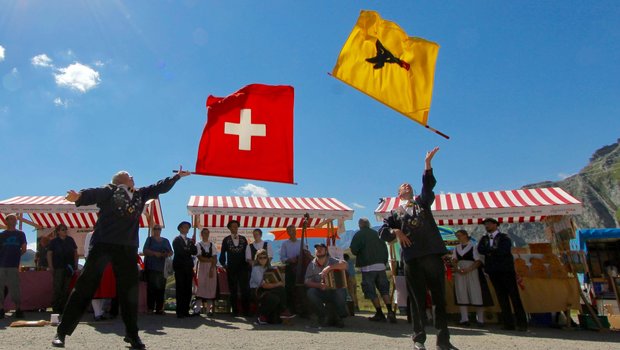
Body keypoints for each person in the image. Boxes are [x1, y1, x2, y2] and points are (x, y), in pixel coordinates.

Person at [52, 169, 190, 349]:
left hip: (127, 247)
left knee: (129, 292)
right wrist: (78, 196)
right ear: (120, 180)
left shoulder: (140, 193)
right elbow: (94, 193)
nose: (133, 176)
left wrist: (177, 177)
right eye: (129, 174)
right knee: (85, 287)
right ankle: (61, 332)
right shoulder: (110, 190)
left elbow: (159, 187)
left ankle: (132, 335)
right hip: (103, 244)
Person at [378, 147, 458, 350]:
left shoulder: (422, 203)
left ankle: (443, 342)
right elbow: (384, 232)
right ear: (398, 195)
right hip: (412, 258)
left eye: (409, 185)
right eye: (403, 186)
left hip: (431, 254)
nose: (407, 185)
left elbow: (428, 186)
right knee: (417, 299)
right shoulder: (394, 214)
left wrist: (427, 164)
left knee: (439, 299)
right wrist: (397, 233)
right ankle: (419, 340)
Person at [477, 218, 528, 332]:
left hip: (506, 270)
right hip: (493, 270)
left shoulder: (504, 238)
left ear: (496, 225)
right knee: (501, 297)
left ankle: (521, 323)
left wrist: (490, 251)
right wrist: (491, 250)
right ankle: (508, 323)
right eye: (486, 224)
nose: (487, 226)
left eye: (489, 224)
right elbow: (480, 249)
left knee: (514, 296)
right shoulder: (484, 239)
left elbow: (503, 250)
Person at [350, 217, 395, 323]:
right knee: (384, 290)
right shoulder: (377, 234)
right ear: (369, 224)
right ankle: (390, 311)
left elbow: (354, 249)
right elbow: (385, 249)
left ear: (360, 225)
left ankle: (379, 313)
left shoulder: (359, 234)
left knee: (371, 291)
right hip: (381, 267)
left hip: (368, 267)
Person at [451, 229, 493, 327]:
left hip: (473, 271)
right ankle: (464, 319)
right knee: (461, 293)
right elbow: (454, 260)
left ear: (465, 235)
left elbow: (478, 261)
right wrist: (457, 269)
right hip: (460, 272)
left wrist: (469, 269)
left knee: (476, 293)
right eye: (457, 236)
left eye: (460, 235)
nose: (458, 237)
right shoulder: (456, 248)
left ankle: (480, 319)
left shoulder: (473, 246)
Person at [305, 243, 348, 328]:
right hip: (321, 291)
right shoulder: (311, 264)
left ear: (326, 251)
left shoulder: (332, 260)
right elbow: (306, 281)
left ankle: (340, 316)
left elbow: (345, 265)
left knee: (341, 290)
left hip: (334, 291)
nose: (319, 250)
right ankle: (323, 316)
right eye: (317, 249)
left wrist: (329, 268)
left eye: (321, 248)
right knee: (311, 292)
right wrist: (319, 285)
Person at [250, 249, 291, 325]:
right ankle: (263, 316)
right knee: (275, 295)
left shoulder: (269, 267)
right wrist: (278, 284)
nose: (263, 259)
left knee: (279, 292)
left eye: (264, 257)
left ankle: (281, 312)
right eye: (260, 258)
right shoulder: (256, 269)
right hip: (257, 291)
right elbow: (263, 285)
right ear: (257, 259)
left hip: (268, 289)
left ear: (267, 258)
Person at [219, 220, 250, 316]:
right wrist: (223, 264)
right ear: (229, 228)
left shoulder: (244, 239)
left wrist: (248, 263)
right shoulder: (226, 240)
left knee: (245, 289)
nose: (235, 228)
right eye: (233, 226)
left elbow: (247, 253)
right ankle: (235, 311)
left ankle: (246, 311)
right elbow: (222, 253)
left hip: (243, 267)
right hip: (231, 268)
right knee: (233, 290)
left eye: (236, 226)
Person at [47, 224, 78, 314]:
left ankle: (64, 307)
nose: (65, 231)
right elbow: (49, 254)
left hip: (69, 267)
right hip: (58, 267)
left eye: (65, 229)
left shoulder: (70, 240)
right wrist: (51, 266)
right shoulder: (54, 241)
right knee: (57, 288)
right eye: (63, 229)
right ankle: (56, 308)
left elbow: (75, 252)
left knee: (66, 288)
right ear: (58, 231)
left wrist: (76, 263)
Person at [0, 213, 27, 319]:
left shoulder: (20, 234)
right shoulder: (2, 235)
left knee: (15, 287)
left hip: (13, 265)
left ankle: (18, 309)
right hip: (1, 264)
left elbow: (24, 249)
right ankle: (1, 309)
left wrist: (16, 256)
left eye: (14, 219)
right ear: (6, 221)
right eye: (10, 219)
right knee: (0, 287)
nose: (13, 221)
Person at [143, 224, 173, 315]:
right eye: (155, 228)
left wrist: (166, 254)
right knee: (151, 288)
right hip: (152, 266)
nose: (157, 230)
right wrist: (154, 253)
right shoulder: (150, 239)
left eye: (159, 229)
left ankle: (159, 308)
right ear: (153, 230)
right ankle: (150, 308)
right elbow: (145, 251)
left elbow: (171, 252)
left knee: (161, 288)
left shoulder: (166, 241)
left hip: (162, 268)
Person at [172, 220, 198, 318]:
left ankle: (186, 310)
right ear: (180, 229)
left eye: (187, 227)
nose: (186, 229)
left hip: (188, 267)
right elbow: (179, 252)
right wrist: (188, 250)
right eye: (184, 227)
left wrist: (189, 248)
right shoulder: (176, 240)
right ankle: (179, 311)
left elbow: (194, 251)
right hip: (180, 267)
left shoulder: (190, 241)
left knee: (188, 289)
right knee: (180, 289)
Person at [195, 228, 218, 316]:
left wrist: (212, 268)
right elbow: (200, 258)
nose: (206, 235)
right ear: (201, 234)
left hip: (211, 268)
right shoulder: (198, 244)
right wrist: (210, 259)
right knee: (200, 286)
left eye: (207, 233)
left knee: (210, 287)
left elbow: (215, 258)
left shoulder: (212, 245)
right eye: (204, 233)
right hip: (201, 267)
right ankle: (197, 309)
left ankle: (209, 310)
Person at [280, 224, 302, 314]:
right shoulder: (285, 244)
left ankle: (301, 309)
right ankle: (290, 309)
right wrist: (289, 259)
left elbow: (305, 254)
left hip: (300, 268)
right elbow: (282, 258)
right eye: (290, 231)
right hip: (290, 267)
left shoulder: (301, 242)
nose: (292, 232)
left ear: (296, 231)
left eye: (294, 230)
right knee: (289, 289)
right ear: (288, 232)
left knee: (300, 288)